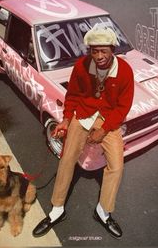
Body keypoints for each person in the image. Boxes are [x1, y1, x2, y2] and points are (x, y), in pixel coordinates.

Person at [32, 24, 134, 239]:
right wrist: (66, 120)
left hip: (107, 120)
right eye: (94, 51)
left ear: (112, 50)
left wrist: (104, 130)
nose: (98, 56)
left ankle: (103, 211)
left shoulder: (125, 71)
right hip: (83, 114)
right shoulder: (81, 66)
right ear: (89, 50)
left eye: (103, 51)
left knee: (116, 166)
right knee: (67, 159)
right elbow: (73, 96)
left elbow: (123, 107)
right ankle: (57, 210)